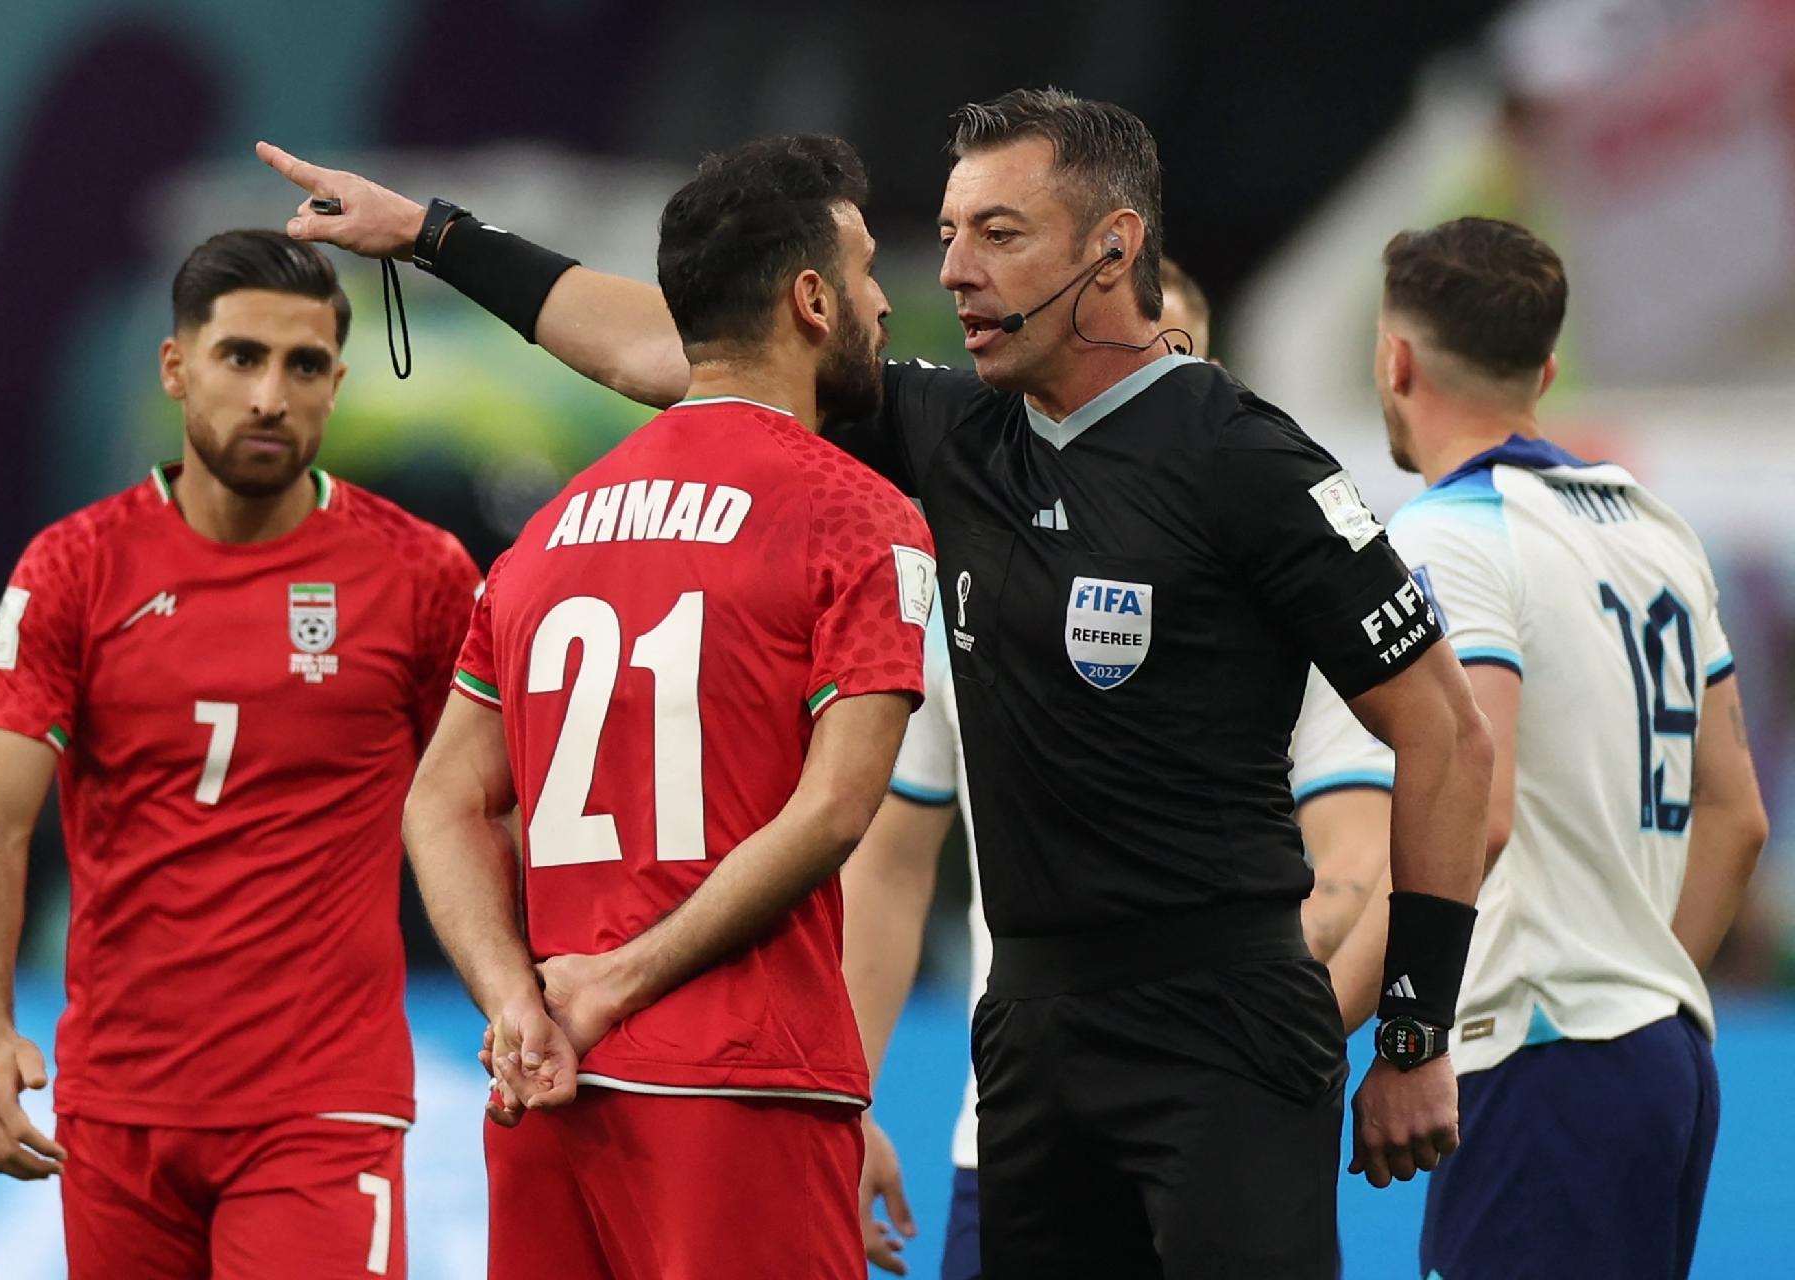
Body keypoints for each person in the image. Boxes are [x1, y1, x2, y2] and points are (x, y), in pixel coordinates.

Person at [262, 86, 1493, 1277]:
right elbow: (674, 349)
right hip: (1028, 1029)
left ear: (1114, 249)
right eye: (950, 234)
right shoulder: (956, 432)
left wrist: (1413, 1032)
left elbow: (1447, 734)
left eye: (998, 236)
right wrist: (432, 235)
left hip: (1221, 1012)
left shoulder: (1247, 459)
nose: (953, 270)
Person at [397, 135, 935, 1280]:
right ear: (809, 299)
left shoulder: (543, 536)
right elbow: (840, 806)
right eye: (867, 272)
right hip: (740, 1080)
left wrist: (519, 1001)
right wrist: (619, 981)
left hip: (546, 1083)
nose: (884, 302)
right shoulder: (859, 513)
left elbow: (442, 797)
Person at [0, 230, 482, 1278]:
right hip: (120, 1106)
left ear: (337, 381)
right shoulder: (73, 566)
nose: (272, 394)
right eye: (241, 357)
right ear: (176, 367)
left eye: (305, 364)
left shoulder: (420, 575)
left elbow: (484, 804)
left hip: (324, 1101)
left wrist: (522, 996)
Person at [1291, 216, 1769, 1280]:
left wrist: (1316, 1034)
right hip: (1663, 1057)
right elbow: (1738, 818)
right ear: (1545, 368)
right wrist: (1633, 985)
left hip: (1544, 1054)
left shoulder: (1445, 540)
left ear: (1394, 359)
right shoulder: (1654, 528)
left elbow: (1478, 803)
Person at [836, 262, 1229, 1280]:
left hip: (1213, 1129)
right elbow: (887, 864)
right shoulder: (967, 590)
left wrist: (1257, 1073)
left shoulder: (1269, 592)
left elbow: (1347, 861)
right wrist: (850, 1098)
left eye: (1174, 358)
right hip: (1014, 1134)